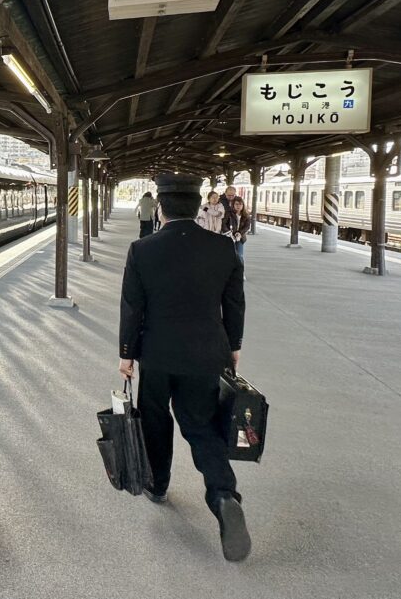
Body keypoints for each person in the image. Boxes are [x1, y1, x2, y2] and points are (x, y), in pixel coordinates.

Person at [118, 172, 250, 562]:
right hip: (206, 354)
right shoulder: (223, 249)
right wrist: (234, 346)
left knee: (156, 420)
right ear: (197, 209)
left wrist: (127, 353)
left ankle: (158, 484)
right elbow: (236, 304)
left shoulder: (142, 249)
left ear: (160, 208)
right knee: (201, 425)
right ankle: (223, 494)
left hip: (156, 355)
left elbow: (132, 306)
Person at [223, 196, 249, 263]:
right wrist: (229, 233)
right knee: (230, 256)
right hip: (229, 237)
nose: (239, 206)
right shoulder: (228, 213)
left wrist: (240, 233)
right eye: (236, 204)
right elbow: (223, 224)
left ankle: (240, 272)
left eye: (240, 204)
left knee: (239, 255)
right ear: (233, 205)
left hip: (240, 238)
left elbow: (247, 226)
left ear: (243, 205)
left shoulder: (246, 215)